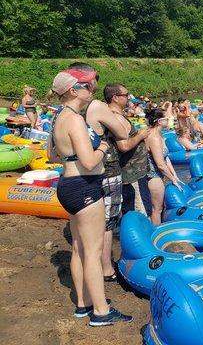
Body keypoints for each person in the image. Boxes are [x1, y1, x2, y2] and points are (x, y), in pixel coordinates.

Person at [48, 69, 132, 326]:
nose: (93, 90)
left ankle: (83, 304)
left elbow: (52, 156)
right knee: (93, 252)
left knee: (78, 248)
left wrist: (72, 154)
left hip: (68, 184)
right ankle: (101, 311)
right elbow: (89, 160)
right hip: (84, 186)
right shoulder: (74, 119)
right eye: (89, 87)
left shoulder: (59, 116)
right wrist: (104, 146)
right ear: (73, 90)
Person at [82, 72, 129, 284]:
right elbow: (122, 133)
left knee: (91, 222)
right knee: (109, 221)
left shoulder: (71, 111)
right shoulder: (98, 107)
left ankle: (93, 264)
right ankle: (107, 269)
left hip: (84, 169)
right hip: (106, 168)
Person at [106, 85, 153, 217]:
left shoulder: (117, 116)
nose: (129, 97)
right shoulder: (115, 118)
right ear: (115, 98)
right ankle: (143, 236)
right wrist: (141, 135)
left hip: (135, 172)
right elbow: (123, 146)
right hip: (132, 173)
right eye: (126, 95)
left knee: (137, 207)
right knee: (141, 212)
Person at [144, 108, 181, 225]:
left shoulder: (159, 135)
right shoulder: (154, 137)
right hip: (153, 176)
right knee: (157, 209)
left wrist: (175, 176)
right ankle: (157, 236)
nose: (169, 120)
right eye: (167, 118)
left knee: (160, 208)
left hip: (159, 175)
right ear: (159, 121)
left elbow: (166, 158)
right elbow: (160, 164)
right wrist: (173, 179)